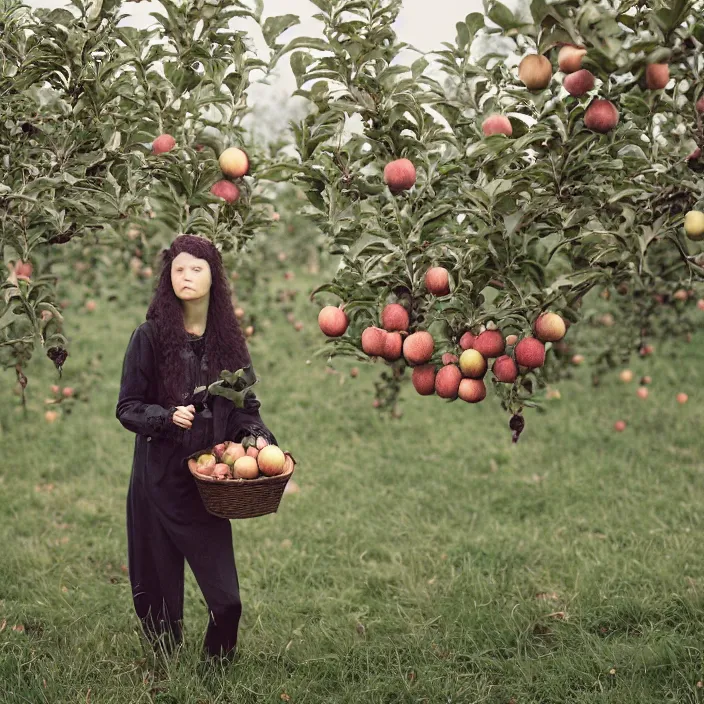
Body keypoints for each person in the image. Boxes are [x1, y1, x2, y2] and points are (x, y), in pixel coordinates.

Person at [115, 234, 277, 665]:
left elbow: (247, 409)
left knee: (227, 603)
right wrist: (166, 417)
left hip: (207, 483)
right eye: (178, 269)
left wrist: (258, 438)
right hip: (158, 477)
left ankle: (217, 666)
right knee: (158, 600)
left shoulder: (228, 341)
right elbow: (127, 407)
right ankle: (169, 674)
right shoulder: (149, 337)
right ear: (168, 277)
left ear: (213, 277)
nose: (186, 276)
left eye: (196, 268)